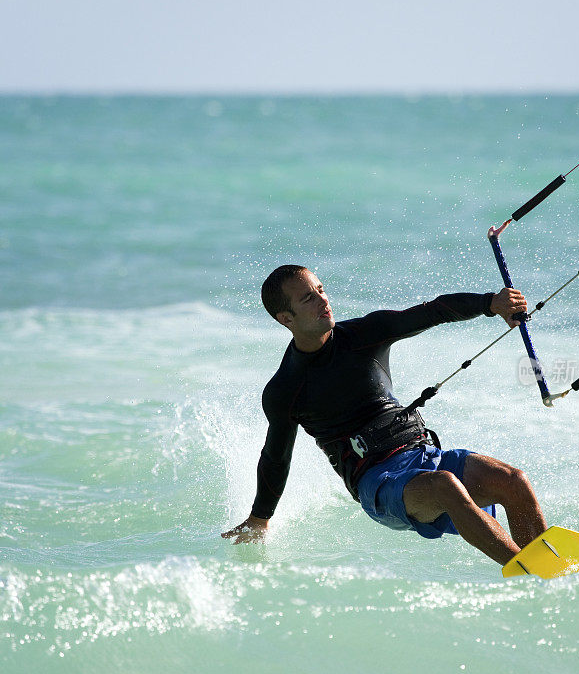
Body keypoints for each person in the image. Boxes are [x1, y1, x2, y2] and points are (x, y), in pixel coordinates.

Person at [222, 224, 548, 567]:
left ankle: (548, 563)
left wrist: (490, 303)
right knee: (447, 487)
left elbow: (430, 312)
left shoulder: (364, 335)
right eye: (308, 298)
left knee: (514, 481)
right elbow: (276, 458)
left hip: (423, 455)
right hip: (378, 483)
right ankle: (533, 574)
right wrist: (260, 519)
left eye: (321, 290)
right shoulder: (286, 389)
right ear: (285, 318)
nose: (323, 301)